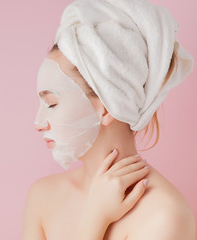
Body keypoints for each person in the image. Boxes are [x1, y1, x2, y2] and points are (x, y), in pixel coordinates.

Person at [21, 0, 195, 239]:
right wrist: (94, 220)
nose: (37, 122)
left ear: (106, 107)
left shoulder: (165, 215)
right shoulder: (42, 195)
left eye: (52, 104)